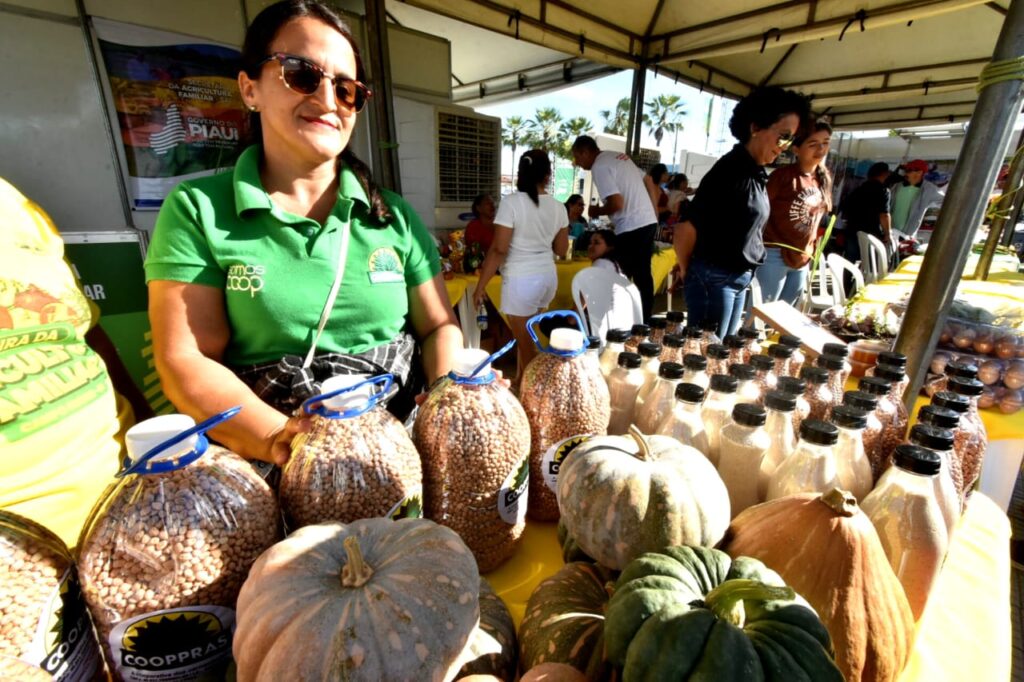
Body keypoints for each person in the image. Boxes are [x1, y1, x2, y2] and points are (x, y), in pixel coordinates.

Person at [145, 0, 462, 466]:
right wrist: (280, 438)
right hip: (271, 451)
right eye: (302, 74)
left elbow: (438, 326)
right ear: (249, 88)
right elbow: (186, 360)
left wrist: (452, 396)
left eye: (347, 88)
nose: (329, 100)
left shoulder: (392, 215)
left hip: (399, 448)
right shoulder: (198, 210)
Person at [0, 177, 149, 547]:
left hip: (130, 497)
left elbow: (83, 330)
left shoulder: (13, 204)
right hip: (21, 559)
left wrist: (151, 430)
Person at [673, 86, 810, 338]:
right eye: (783, 136)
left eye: (790, 140)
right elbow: (684, 230)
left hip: (735, 278)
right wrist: (688, 271)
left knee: (721, 354)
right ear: (755, 127)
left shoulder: (754, 172)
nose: (785, 147)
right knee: (707, 357)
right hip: (715, 278)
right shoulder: (730, 172)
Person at [473, 150, 569, 380]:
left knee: (527, 348)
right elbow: (561, 250)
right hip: (546, 278)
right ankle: (521, 381)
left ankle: (533, 396)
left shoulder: (512, 203)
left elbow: (499, 249)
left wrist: (480, 287)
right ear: (548, 174)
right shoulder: (558, 207)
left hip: (521, 280)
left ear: (520, 173)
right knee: (527, 338)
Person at [571, 135, 659, 321]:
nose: (576, 163)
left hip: (631, 227)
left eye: (577, 157)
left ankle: (607, 320)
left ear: (585, 152)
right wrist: (653, 214)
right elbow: (650, 181)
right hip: (647, 222)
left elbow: (617, 203)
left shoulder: (599, 166)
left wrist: (597, 210)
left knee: (613, 272)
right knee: (643, 276)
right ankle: (643, 322)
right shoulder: (618, 157)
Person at [757, 121, 833, 305]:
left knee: (785, 316)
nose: (821, 148)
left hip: (803, 257)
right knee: (760, 314)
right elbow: (759, 213)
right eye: (813, 144)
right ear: (796, 149)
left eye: (825, 142)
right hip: (774, 254)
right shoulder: (782, 176)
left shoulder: (823, 179)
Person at [840, 162, 892, 263]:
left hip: (853, 229)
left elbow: (845, 208)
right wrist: (887, 234)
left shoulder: (858, 189)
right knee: (870, 263)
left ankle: (845, 279)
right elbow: (884, 215)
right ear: (885, 174)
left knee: (849, 261)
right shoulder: (883, 191)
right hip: (871, 232)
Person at [891, 159, 943, 238]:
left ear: (920, 172)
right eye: (905, 170)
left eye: (909, 170)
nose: (905, 173)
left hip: (908, 235)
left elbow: (946, 202)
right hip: (890, 230)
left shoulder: (929, 189)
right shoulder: (897, 186)